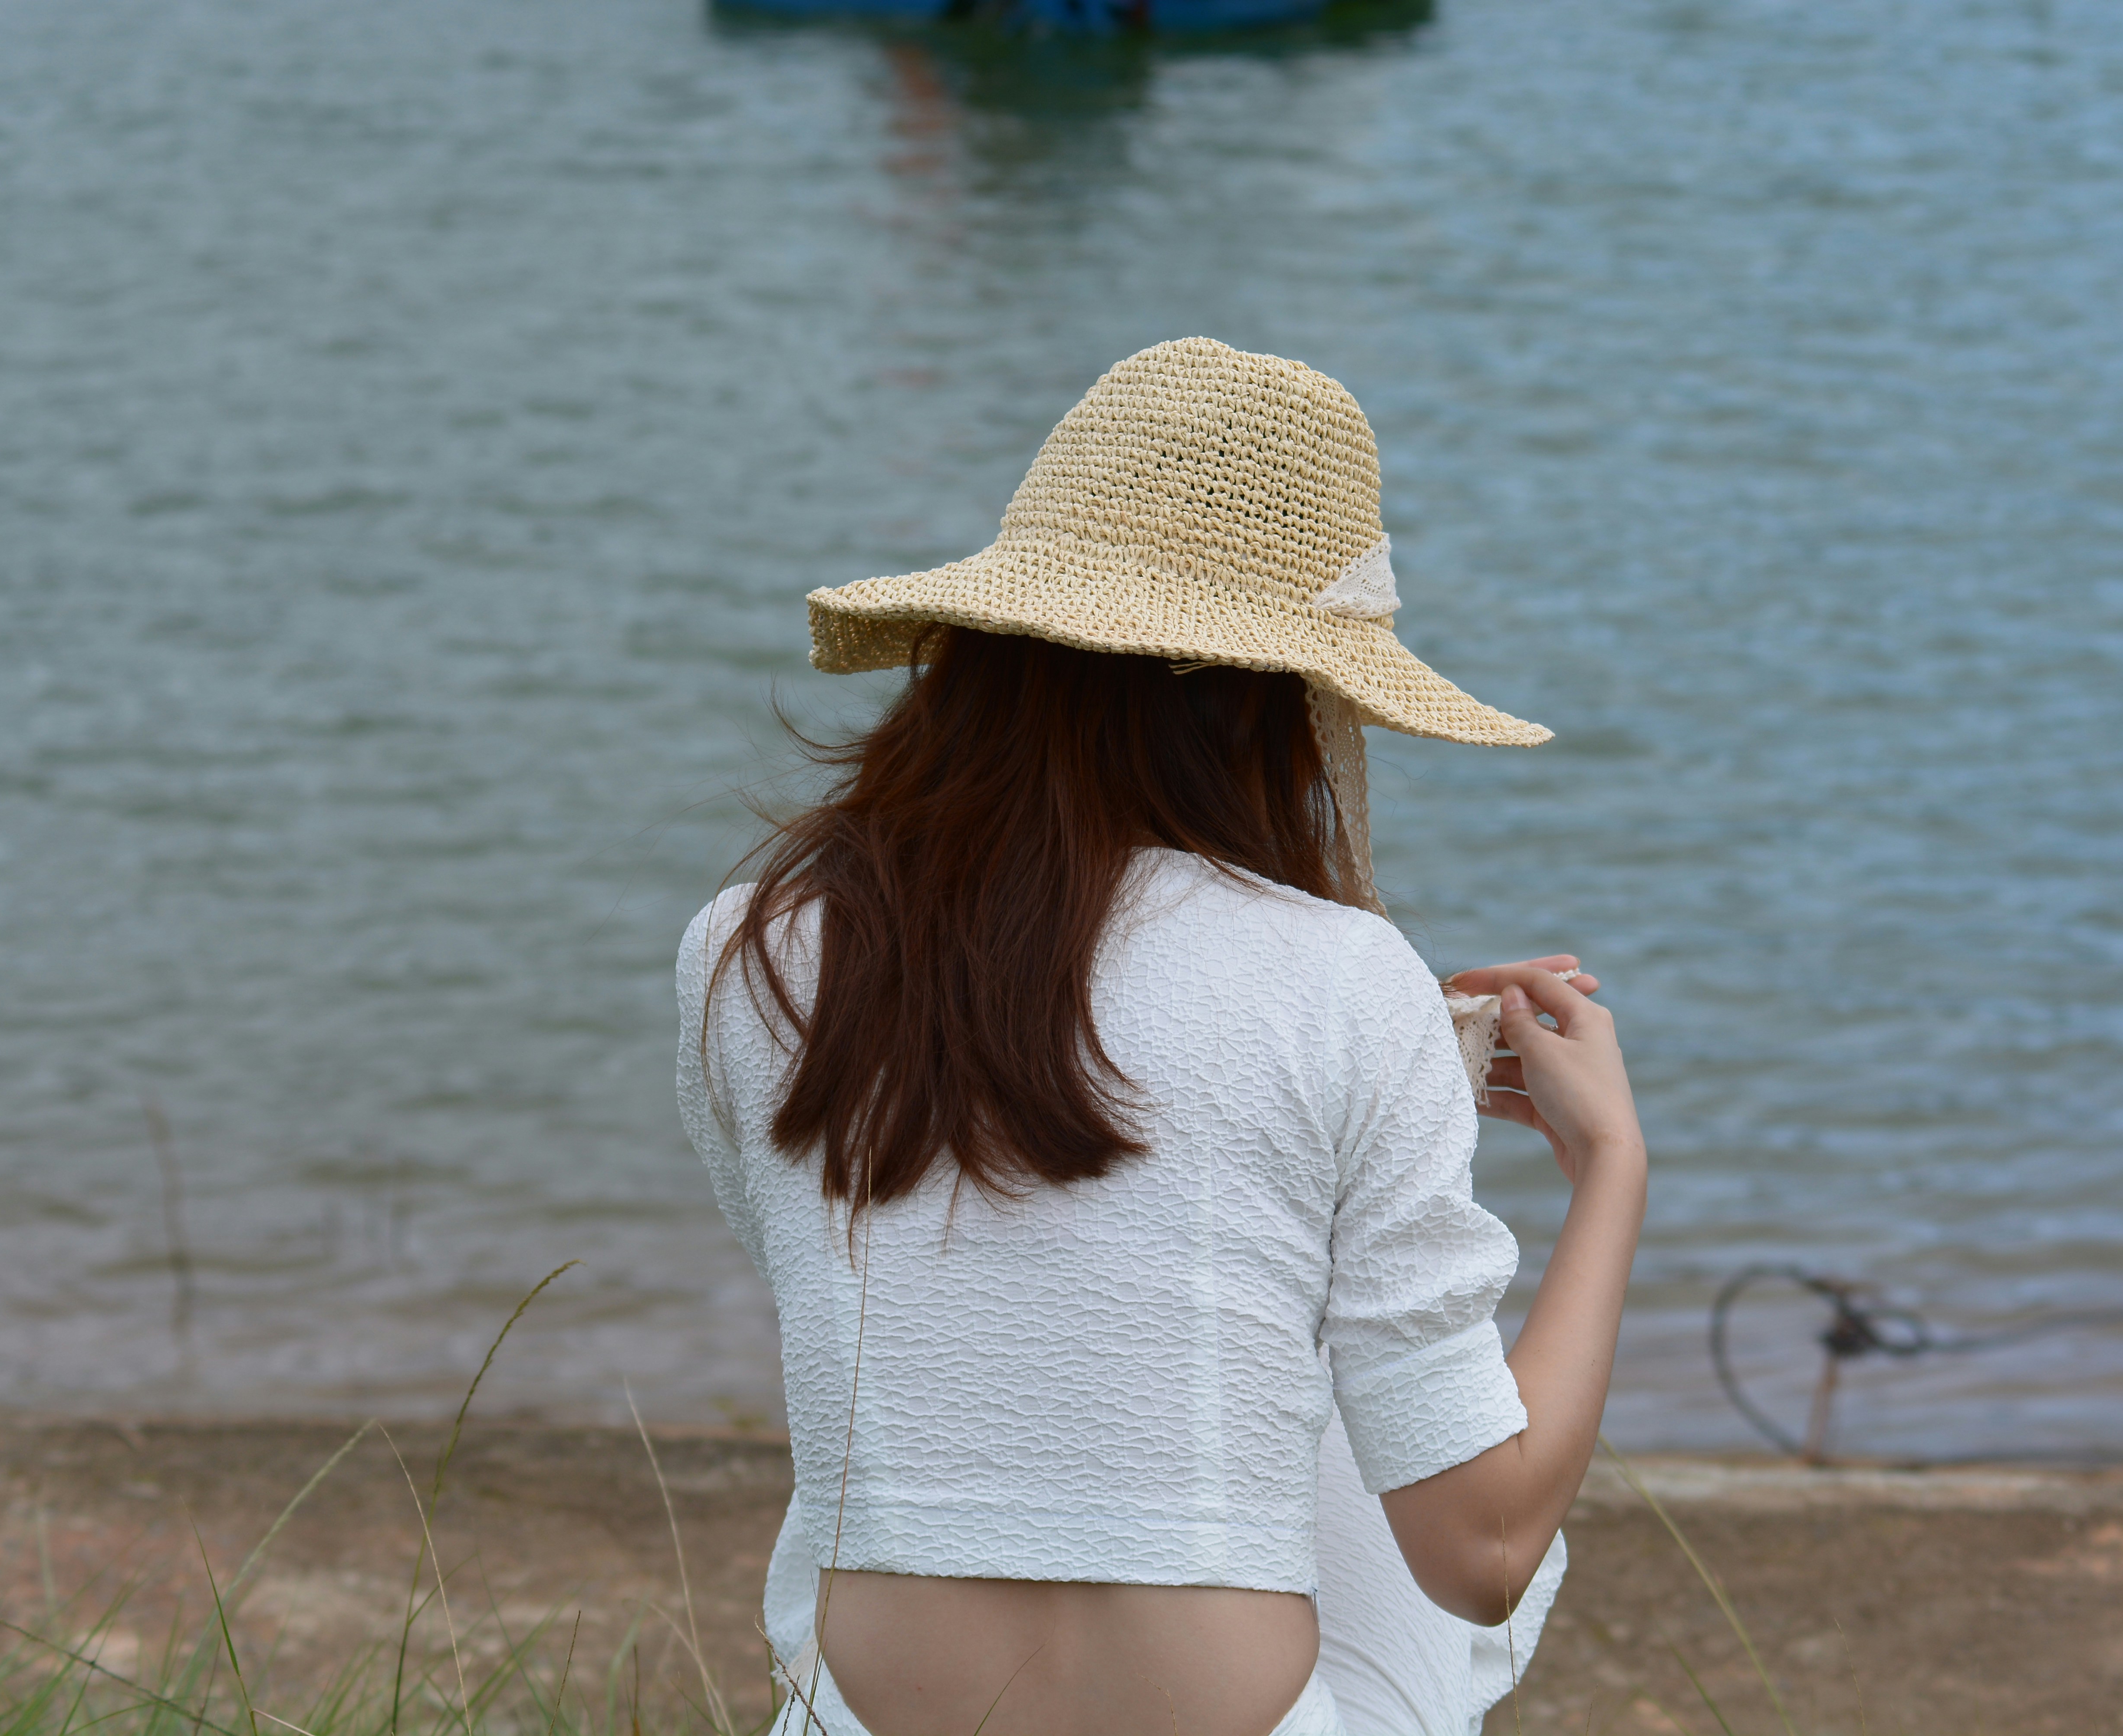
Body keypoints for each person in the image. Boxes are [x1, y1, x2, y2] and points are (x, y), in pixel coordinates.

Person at [677, 338, 1647, 1736]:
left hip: (869, 1723)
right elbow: (1481, 1554)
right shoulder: (1336, 977)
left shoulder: (746, 950)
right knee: (1348, 1350)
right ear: (1273, 700)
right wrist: (1607, 1161)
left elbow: (966, 1279)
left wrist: (1370, 1087)